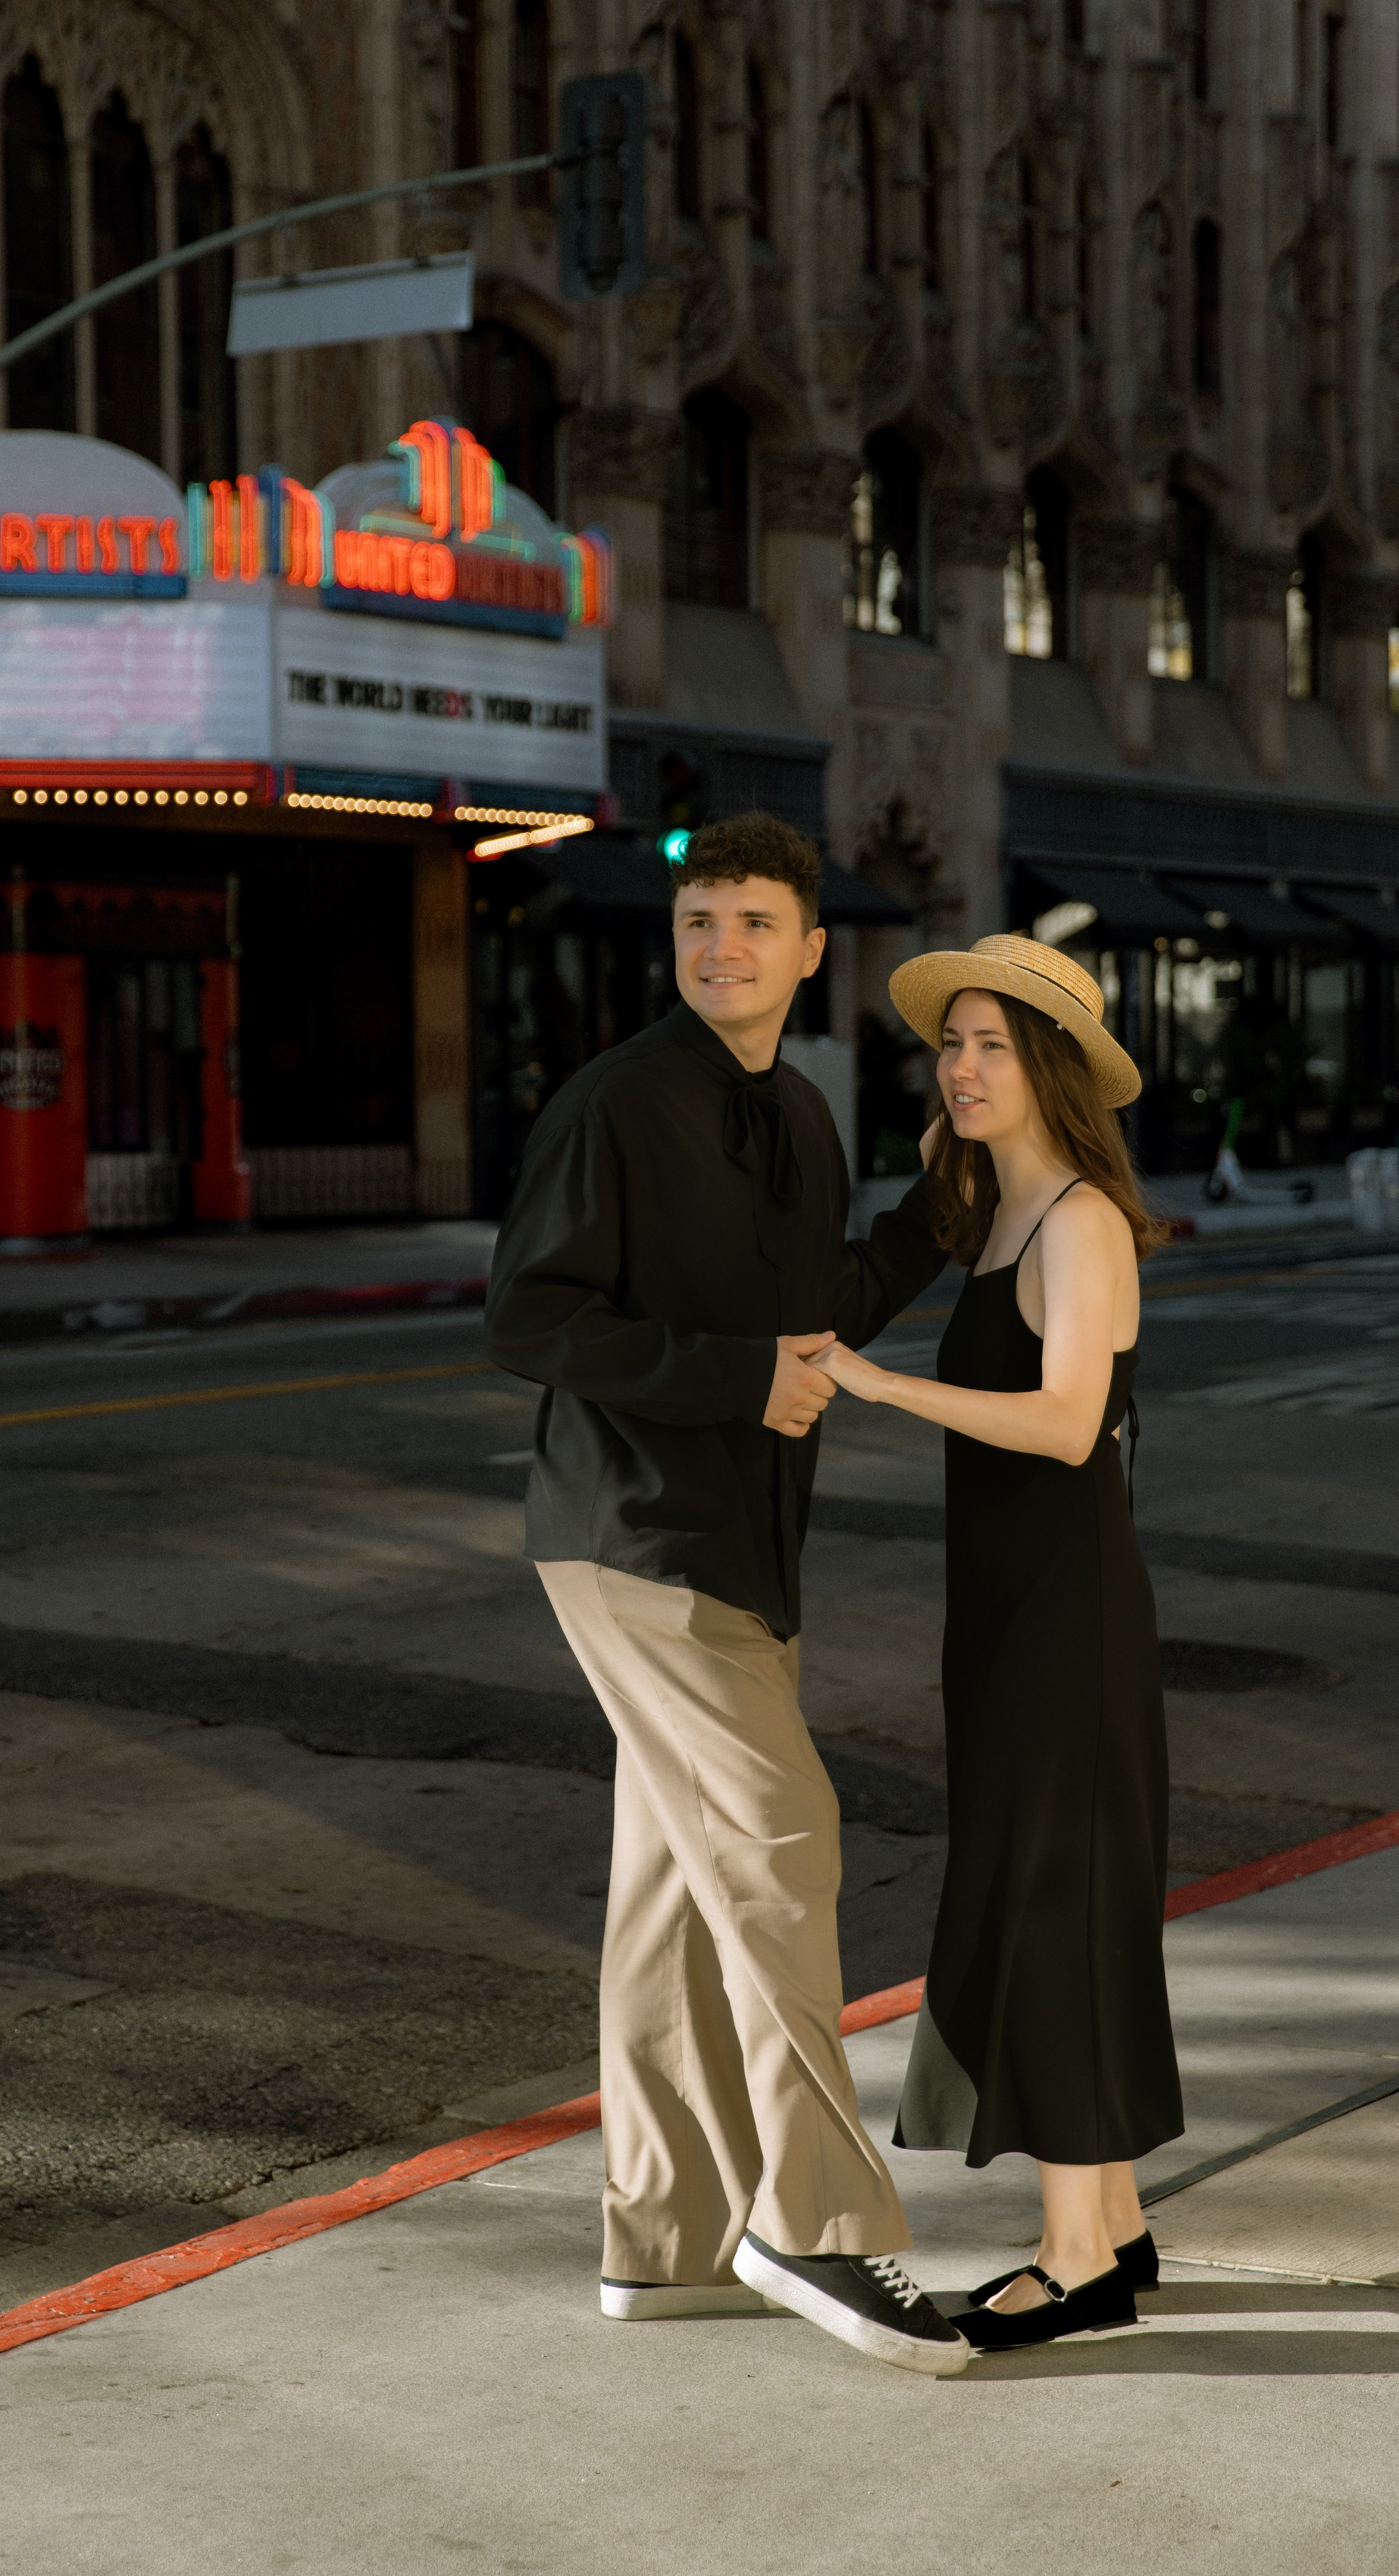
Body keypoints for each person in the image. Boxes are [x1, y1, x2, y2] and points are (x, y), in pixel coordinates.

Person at [484, 813, 967, 2377]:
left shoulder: (803, 1113)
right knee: (777, 1839)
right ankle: (810, 2219)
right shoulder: (613, 1103)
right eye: (699, 920)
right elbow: (528, 1315)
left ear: (811, 950)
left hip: (748, 1544)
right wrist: (733, 1377)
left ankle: (668, 2238)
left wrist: (931, 1214)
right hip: (638, 1535)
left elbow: (817, 1310)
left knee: (676, 1896)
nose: (722, 947)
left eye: (754, 922)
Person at [819, 935, 1184, 2355]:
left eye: (992, 1046)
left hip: (1066, 1622)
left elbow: (1069, 1422)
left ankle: (1076, 2258)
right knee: (1058, 1900)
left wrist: (879, 1386)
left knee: (1051, 1910)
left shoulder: (1080, 1221)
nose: (960, 1067)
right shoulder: (1000, 1207)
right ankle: (1118, 2222)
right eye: (951, 1043)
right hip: (1010, 1613)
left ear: (1055, 1070)